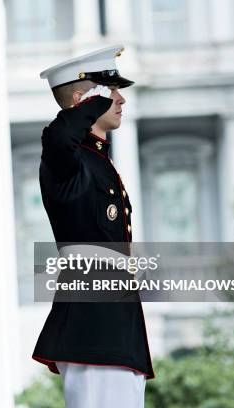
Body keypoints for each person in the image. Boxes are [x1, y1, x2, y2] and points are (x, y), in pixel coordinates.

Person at [32, 45, 154, 408]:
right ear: (84, 98)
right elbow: (58, 137)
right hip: (92, 325)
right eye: (110, 91)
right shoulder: (66, 159)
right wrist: (88, 106)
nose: (119, 99)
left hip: (115, 323)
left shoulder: (97, 159)